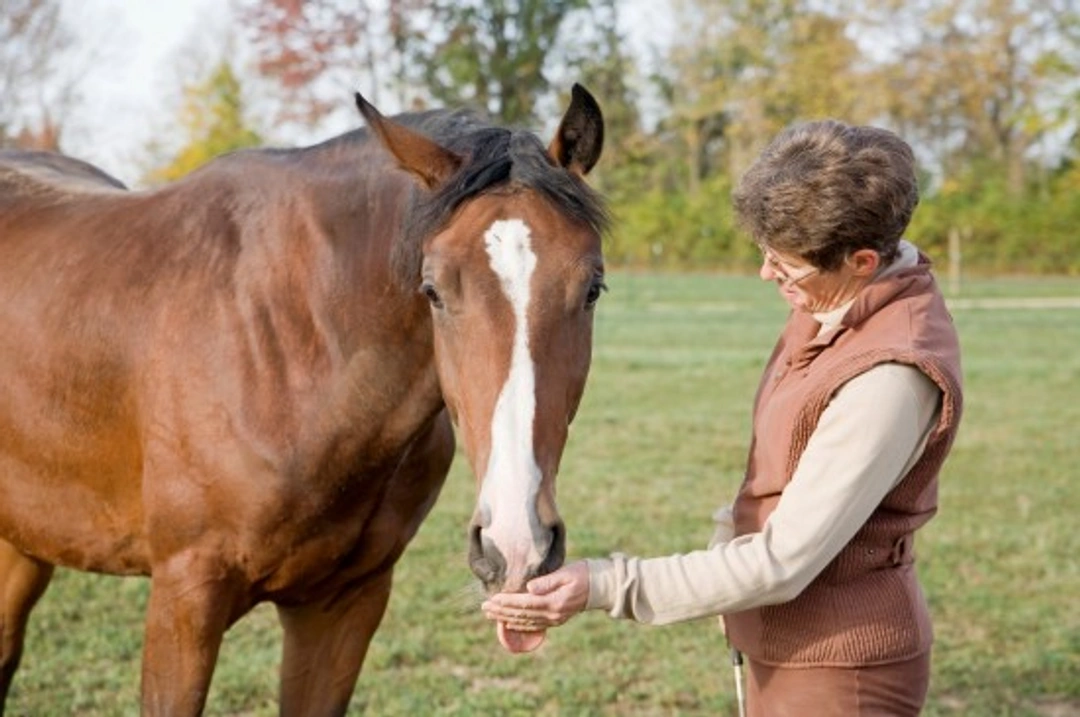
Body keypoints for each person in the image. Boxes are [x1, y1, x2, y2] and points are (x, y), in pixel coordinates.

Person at [481, 119, 963, 716]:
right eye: (765, 255)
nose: (768, 275)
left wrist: (606, 584)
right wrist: (726, 566)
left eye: (786, 267)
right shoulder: (834, 306)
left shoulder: (890, 376)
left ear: (862, 260)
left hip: (840, 671)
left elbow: (784, 561)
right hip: (786, 643)